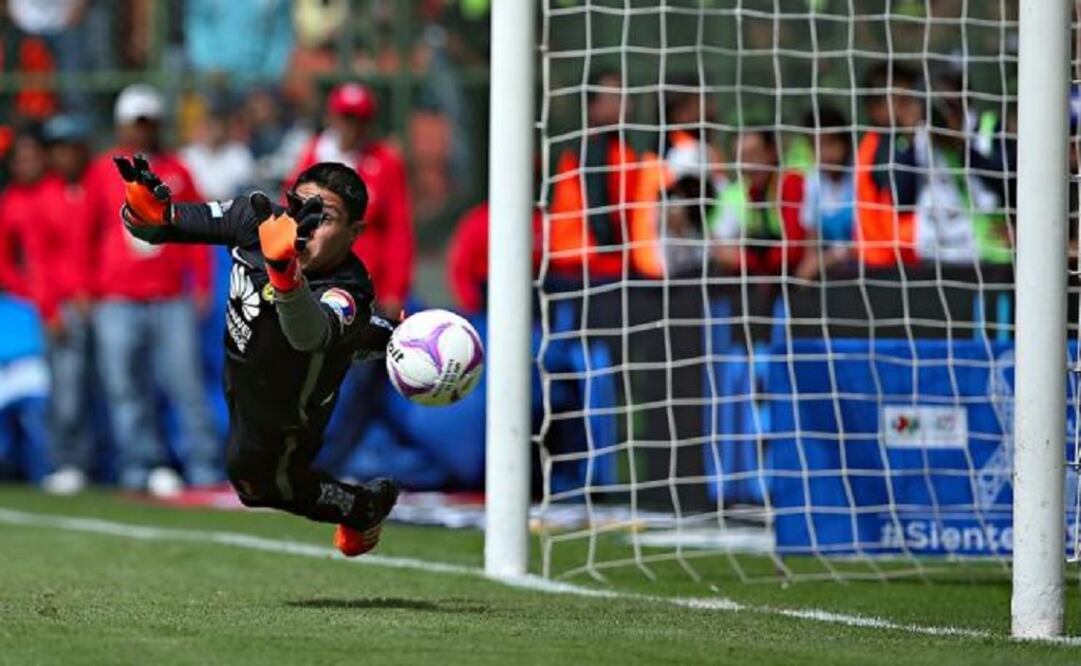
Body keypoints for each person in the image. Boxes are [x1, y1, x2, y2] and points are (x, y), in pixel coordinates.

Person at [112, 155, 399, 556]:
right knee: (250, 476)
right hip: (244, 373)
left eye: (325, 217)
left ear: (355, 232)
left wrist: (283, 272)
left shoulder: (350, 286)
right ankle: (376, 337)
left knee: (257, 486)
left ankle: (365, 506)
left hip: (289, 407)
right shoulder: (255, 217)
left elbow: (308, 335)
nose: (305, 226)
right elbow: (159, 228)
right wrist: (141, 210)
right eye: (301, 208)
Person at [85, 83, 220, 495]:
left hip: (169, 294)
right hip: (117, 297)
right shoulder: (101, 172)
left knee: (186, 384)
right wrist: (86, 286)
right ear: (122, 126)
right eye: (135, 123)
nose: (142, 131)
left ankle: (203, 466)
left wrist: (202, 281)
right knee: (125, 387)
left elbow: (199, 227)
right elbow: (85, 233)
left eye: (148, 123)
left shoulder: (177, 171)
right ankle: (138, 465)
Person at [288, 82, 413, 318]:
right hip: (313, 280)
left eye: (360, 118)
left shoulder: (386, 162)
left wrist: (396, 289)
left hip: (366, 284)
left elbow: (398, 230)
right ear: (332, 116)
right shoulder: (311, 155)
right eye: (346, 116)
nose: (352, 126)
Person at [794, 106, 856, 281]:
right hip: (829, 275)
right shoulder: (813, 182)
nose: (825, 153)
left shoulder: (860, 177)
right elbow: (810, 239)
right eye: (817, 145)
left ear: (845, 142)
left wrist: (827, 259)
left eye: (830, 143)